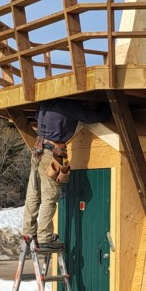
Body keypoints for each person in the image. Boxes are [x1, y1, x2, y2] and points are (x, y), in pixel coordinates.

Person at [22, 98, 109, 247]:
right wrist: (108, 105)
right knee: (50, 195)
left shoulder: (45, 103)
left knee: (34, 193)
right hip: (51, 154)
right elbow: (93, 117)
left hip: (37, 151)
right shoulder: (70, 105)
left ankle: (28, 232)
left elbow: (37, 116)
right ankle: (45, 238)